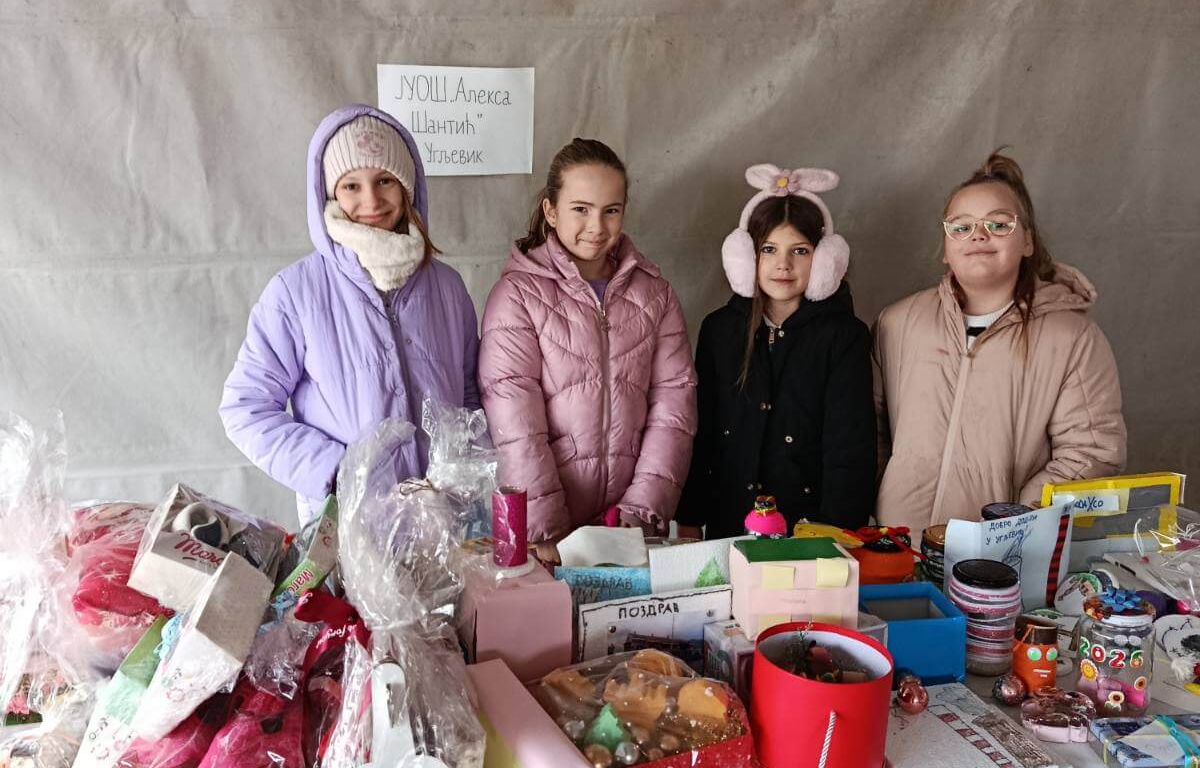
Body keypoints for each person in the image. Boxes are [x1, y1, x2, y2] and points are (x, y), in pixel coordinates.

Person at [221, 105, 479, 521]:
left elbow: (469, 395)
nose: (371, 200)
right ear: (330, 194)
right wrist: (338, 473)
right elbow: (245, 408)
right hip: (349, 527)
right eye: (351, 185)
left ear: (408, 186)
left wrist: (467, 476)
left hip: (444, 520)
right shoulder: (296, 292)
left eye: (385, 180)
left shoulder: (447, 287)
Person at [874, 149, 1126, 532]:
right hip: (898, 546)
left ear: (1028, 242)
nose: (978, 235)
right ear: (946, 249)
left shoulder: (1073, 338)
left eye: (999, 224)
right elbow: (866, 433)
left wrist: (1013, 525)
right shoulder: (896, 324)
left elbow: (1091, 452)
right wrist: (886, 503)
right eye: (961, 227)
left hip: (1004, 555)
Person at [479, 138, 696, 557]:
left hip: (628, 530)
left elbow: (675, 405)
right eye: (581, 209)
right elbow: (514, 423)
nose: (597, 227)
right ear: (551, 211)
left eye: (610, 211)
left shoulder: (655, 294)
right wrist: (547, 530)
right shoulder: (517, 295)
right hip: (548, 537)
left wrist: (639, 513)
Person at [675, 164, 875, 538]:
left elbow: (850, 448)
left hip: (810, 530)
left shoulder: (845, 336)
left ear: (825, 260)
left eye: (800, 250)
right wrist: (689, 518)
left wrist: (838, 536)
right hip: (728, 522)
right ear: (746, 257)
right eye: (769, 249)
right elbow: (702, 433)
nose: (783, 264)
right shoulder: (719, 330)